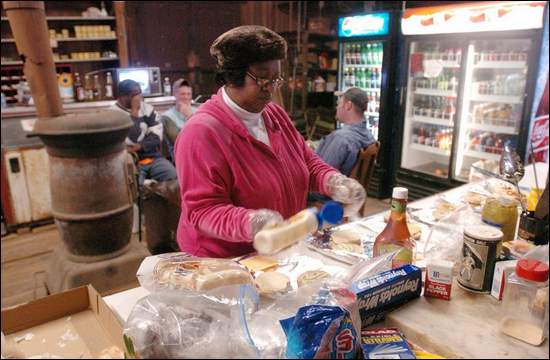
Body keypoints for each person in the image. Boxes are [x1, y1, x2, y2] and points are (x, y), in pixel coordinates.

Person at [173, 25, 366, 258]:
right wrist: (251, 223)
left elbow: (306, 161)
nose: (272, 89)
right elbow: (203, 211)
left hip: (276, 253)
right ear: (234, 77)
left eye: (276, 79)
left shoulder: (273, 114)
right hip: (225, 262)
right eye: (264, 79)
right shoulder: (202, 133)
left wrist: (334, 182)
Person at [111, 79, 177, 185]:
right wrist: (134, 113)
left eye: (140, 93)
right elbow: (132, 138)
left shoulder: (148, 109)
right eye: (134, 95)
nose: (139, 98)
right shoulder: (113, 114)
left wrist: (140, 146)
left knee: (173, 177)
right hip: (129, 161)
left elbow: (156, 137)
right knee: (135, 186)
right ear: (122, 96)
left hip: (153, 157)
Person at [316, 87, 376, 177]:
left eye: (338, 103)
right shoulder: (369, 137)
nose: (337, 107)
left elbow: (321, 174)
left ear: (348, 105)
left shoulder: (341, 139)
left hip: (333, 189)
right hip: (351, 189)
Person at [160, 79, 195, 156]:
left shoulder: (199, 110)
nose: (186, 97)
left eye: (188, 94)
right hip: (182, 155)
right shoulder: (167, 117)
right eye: (182, 94)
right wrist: (190, 117)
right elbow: (180, 142)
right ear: (174, 94)